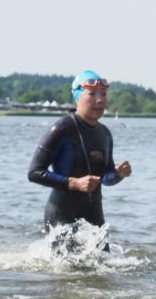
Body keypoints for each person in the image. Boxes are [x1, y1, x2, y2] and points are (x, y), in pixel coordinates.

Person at [28, 70, 131, 229]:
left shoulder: (105, 134)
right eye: (92, 94)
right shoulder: (62, 128)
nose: (99, 100)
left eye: (103, 94)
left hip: (94, 216)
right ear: (77, 97)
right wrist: (74, 183)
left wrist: (119, 174)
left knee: (104, 247)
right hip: (61, 216)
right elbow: (34, 172)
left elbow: (105, 178)